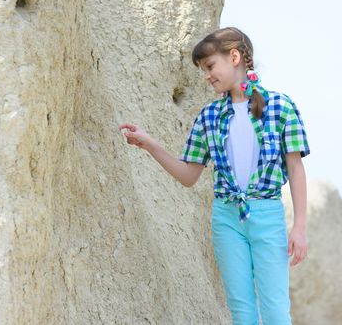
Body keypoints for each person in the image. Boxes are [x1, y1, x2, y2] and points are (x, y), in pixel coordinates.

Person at [118, 27, 310, 325]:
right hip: (226, 219)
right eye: (202, 70)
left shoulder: (280, 107)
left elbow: (296, 169)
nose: (206, 75)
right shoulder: (209, 116)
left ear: (234, 57)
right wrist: (150, 145)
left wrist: (299, 227)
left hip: (267, 214)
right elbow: (188, 176)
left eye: (209, 66)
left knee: (275, 310)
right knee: (241, 310)